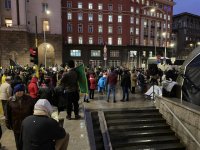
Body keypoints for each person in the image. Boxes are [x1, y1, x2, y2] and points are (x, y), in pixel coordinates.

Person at [5, 84, 34, 150]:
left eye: (21, 91)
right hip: (16, 124)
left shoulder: (29, 99)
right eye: (18, 91)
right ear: (15, 92)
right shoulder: (10, 101)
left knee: (27, 140)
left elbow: (33, 111)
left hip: (27, 124)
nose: (20, 92)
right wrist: (7, 123)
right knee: (18, 141)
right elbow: (7, 113)